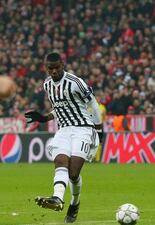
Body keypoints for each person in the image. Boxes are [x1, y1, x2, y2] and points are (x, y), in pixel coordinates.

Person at [24, 52, 103, 223]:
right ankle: (57, 198)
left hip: (83, 128)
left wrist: (99, 130)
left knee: (74, 174)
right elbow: (60, 108)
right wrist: (45, 118)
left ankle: (75, 202)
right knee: (60, 161)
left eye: (56, 67)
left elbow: (93, 105)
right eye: (49, 68)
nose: (53, 71)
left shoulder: (76, 83)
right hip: (64, 130)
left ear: (62, 65)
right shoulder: (47, 85)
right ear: (46, 68)